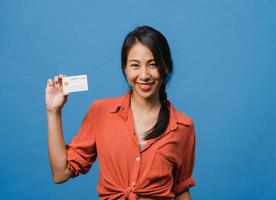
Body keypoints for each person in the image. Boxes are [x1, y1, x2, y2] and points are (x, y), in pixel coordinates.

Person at [45, 26, 196, 200]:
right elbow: (60, 173)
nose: (144, 75)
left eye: (153, 64)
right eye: (135, 65)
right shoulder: (100, 112)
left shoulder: (183, 127)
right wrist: (53, 111)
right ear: (125, 68)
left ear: (166, 67)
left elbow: (181, 190)